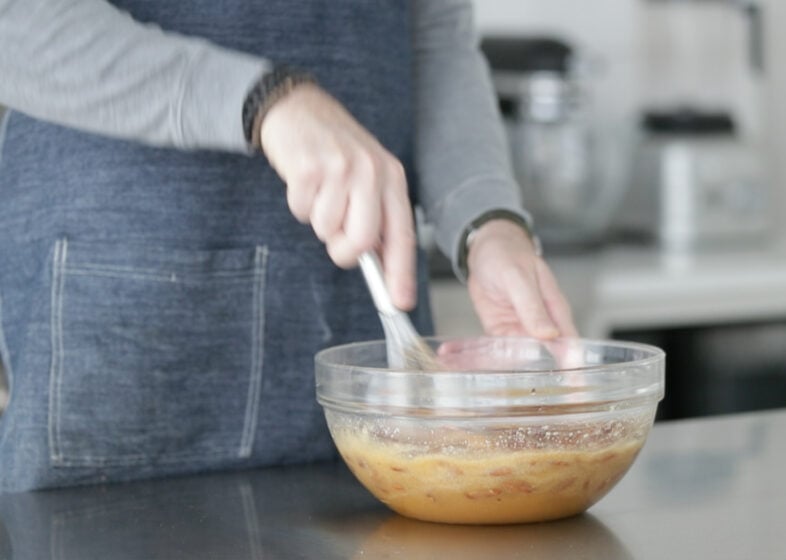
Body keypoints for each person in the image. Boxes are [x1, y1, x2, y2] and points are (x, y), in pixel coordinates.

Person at [0, 0, 577, 492]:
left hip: (365, 324)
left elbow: (434, 39)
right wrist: (265, 100)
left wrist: (486, 222)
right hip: (132, 313)